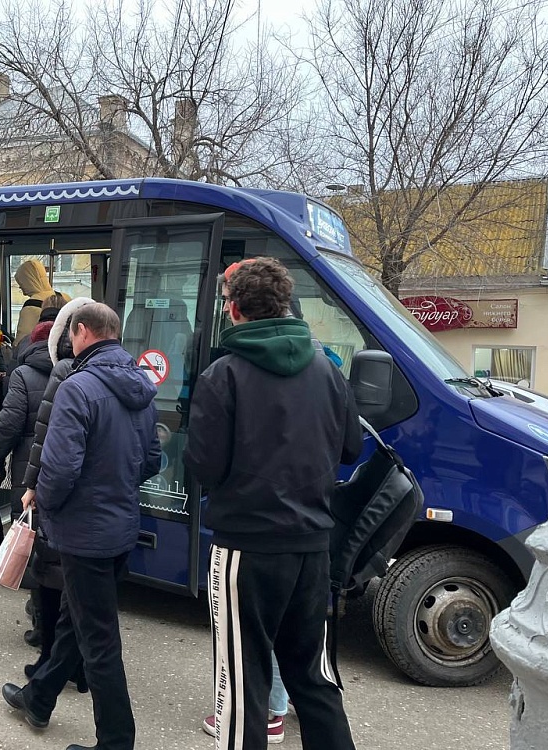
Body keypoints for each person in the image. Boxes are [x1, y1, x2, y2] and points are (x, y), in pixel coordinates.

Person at [185, 257, 362, 750]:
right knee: (313, 677)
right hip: (312, 547)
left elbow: (204, 467)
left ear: (235, 309)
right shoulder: (328, 371)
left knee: (243, 686)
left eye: (225, 302)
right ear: (284, 305)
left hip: (245, 548)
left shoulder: (223, 375)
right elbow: (351, 448)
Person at [1, 302, 161, 750]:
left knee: (100, 642)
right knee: (78, 619)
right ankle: (39, 697)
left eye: (71, 335)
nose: (69, 343)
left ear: (84, 332)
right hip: (121, 528)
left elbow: (60, 468)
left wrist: (41, 500)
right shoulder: (141, 386)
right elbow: (151, 459)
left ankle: (116, 742)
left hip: (83, 533)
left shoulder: (78, 387)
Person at [18, 296, 95, 682]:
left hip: (61, 505)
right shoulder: (121, 370)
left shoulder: (64, 371)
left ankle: (49, 666)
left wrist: (34, 488)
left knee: (51, 587)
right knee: (83, 598)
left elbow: (44, 439)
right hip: (99, 511)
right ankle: (79, 670)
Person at [0, 318, 55, 517]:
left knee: (25, 529)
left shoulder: (22, 375)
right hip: (59, 470)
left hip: (26, 468)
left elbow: (9, 425)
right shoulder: (73, 371)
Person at [14, 259, 55, 342]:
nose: (24, 293)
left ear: (28, 281)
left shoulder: (31, 306)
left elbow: (22, 340)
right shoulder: (64, 298)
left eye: (21, 285)